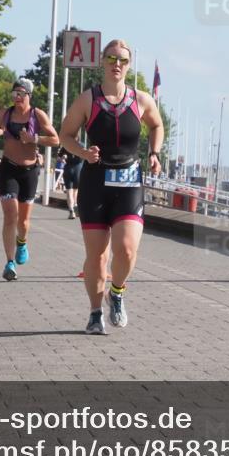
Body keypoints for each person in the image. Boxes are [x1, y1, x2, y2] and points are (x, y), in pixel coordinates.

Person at [58, 39, 163, 335]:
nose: (116, 64)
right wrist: (82, 153)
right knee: (97, 255)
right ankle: (94, 312)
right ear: (102, 62)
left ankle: (116, 292)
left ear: (129, 66)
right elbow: (65, 134)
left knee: (127, 250)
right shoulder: (87, 100)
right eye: (111, 59)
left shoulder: (141, 100)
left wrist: (154, 153)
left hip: (129, 181)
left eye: (123, 60)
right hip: (95, 182)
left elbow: (157, 125)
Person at [0, 77, 59, 281]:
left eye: (21, 94)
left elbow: (56, 140)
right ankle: (9, 262)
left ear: (29, 96)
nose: (17, 97)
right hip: (8, 168)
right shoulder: (6, 113)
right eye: (15, 94)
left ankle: (22, 241)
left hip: (29, 171)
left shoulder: (37, 115)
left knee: (23, 220)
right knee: (10, 215)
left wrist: (35, 139)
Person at [62, 145, 84, 219]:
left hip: (68, 168)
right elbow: (84, 156)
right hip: (77, 168)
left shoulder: (65, 145)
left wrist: (64, 158)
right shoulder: (81, 145)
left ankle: (71, 210)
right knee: (75, 191)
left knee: (69, 191)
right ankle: (74, 208)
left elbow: (60, 157)